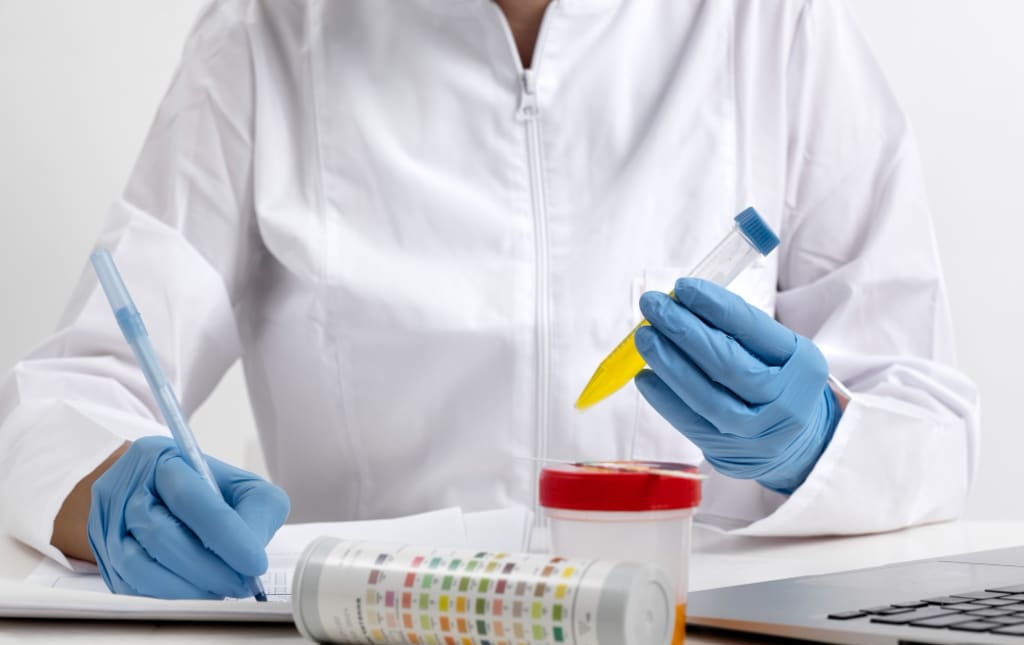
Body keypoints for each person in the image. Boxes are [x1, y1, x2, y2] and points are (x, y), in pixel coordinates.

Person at [0, 0, 979, 600]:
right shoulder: (271, 35)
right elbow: (65, 398)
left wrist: (819, 440)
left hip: (695, 642)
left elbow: (928, 420)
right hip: (368, 641)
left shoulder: (775, 27)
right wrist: (113, 492)